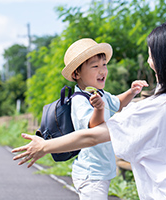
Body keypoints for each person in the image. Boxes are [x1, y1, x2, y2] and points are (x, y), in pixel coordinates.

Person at [12, 21, 166, 199]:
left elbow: (93, 136)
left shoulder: (153, 109)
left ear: (159, 62)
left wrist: (45, 146)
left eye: (150, 54)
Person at [61, 38, 148, 199]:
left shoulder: (100, 94)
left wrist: (132, 92)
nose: (102, 70)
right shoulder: (80, 99)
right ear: (76, 73)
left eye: (104, 65)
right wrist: (99, 108)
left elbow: (118, 103)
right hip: (90, 173)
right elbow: (93, 126)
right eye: (95, 66)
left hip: (101, 170)